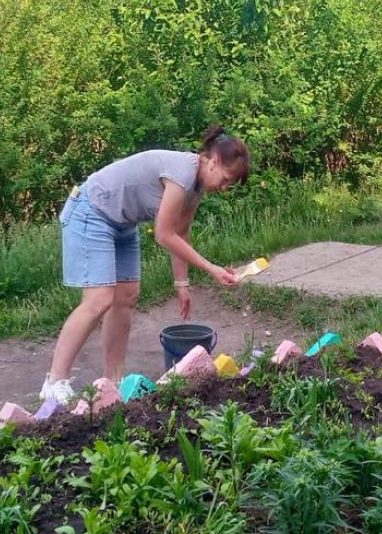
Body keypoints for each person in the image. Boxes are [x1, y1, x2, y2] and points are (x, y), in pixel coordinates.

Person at [39, 125, 250, 404]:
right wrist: (212, 269)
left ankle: (112, 382)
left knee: (126, 296)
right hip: (92, 211)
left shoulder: (197, 186)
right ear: (212, 161)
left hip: (123, 223)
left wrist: (181, 283)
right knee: (99, 300)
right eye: (226, 179)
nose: (225, 187)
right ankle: (55, 382)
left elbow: (180, 232)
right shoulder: (181, 174)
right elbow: (164, 235)